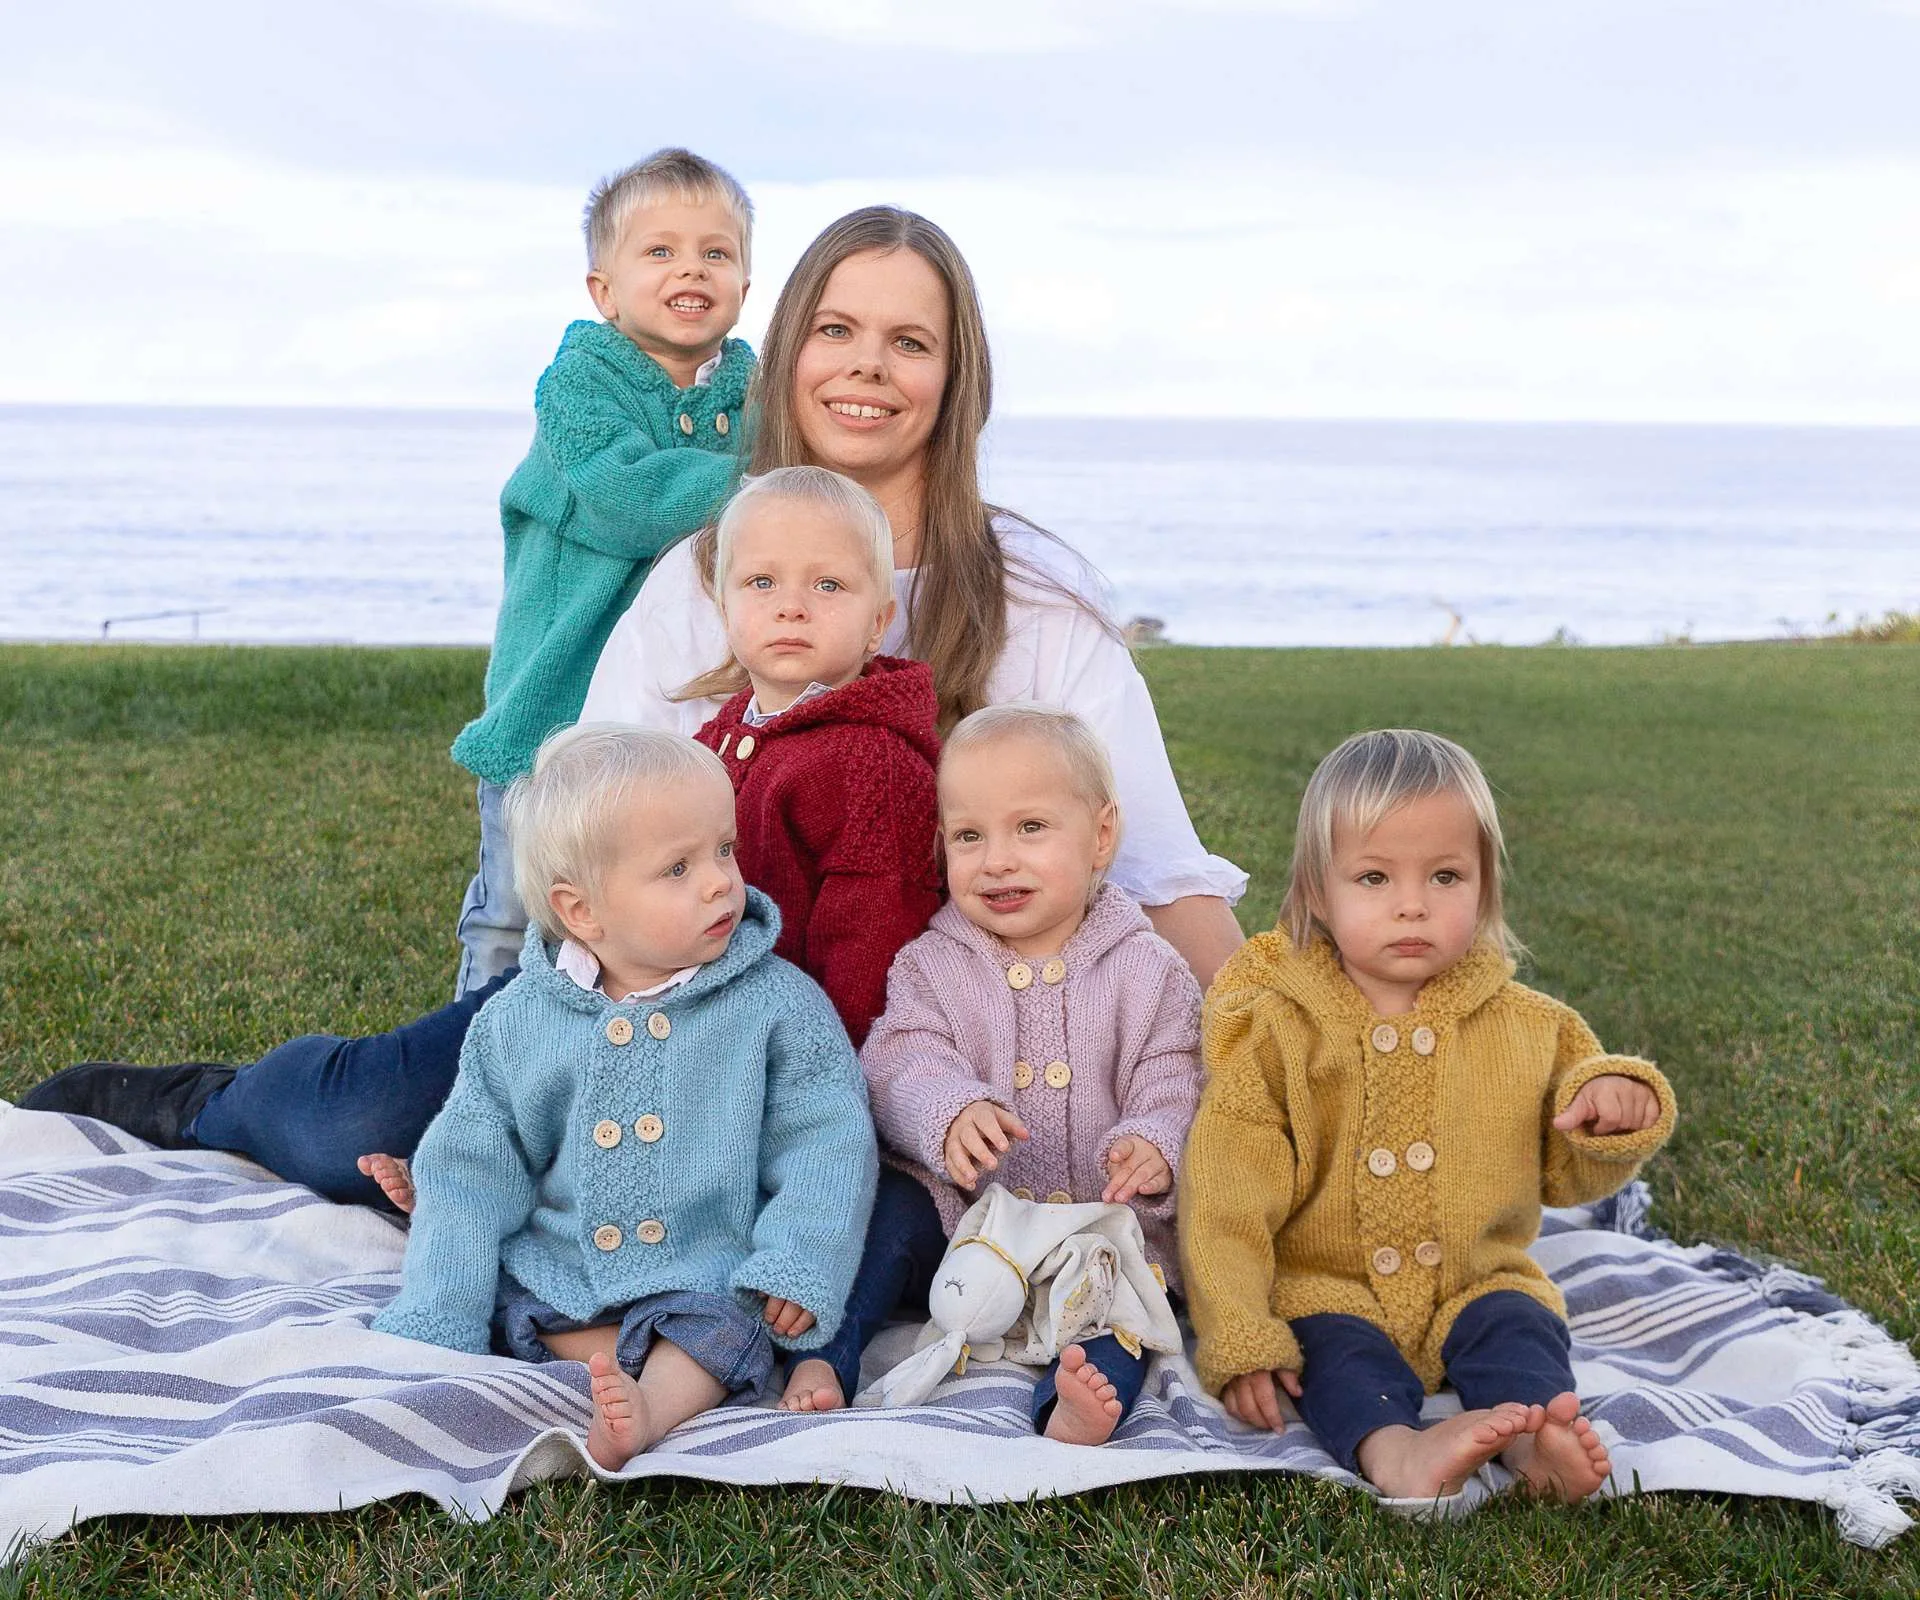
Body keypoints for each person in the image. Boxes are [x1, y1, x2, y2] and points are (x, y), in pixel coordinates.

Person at [20, 205, 1242, 1209]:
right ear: (790, 354)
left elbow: (1160, 877)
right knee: (364, 1124)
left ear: (955, 377)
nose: (867, 366)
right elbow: (584, 839)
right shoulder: (699, 581)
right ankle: (209, 1101)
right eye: (835, 329)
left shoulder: (1038, 601)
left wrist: (1272, 1064)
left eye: (909, 342)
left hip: (931, 1048)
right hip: (651, 1002)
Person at [359, 464, 940, 1214]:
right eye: (762, 583)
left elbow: (869, 956)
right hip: (669, 996)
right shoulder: (726, 731)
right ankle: (470, 1174)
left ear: (877, 616)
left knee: (637, 1135)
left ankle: (498, 1205)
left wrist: (815, 1104)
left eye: (828, 586)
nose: (792, 606)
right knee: (535, 1051)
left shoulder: (871, 762)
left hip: (761, 1053)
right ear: (727, 607)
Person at [1179, 729, 1677, 1502]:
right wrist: (1241, 1331)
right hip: (1328, 1286)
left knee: (1523, 1329)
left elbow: (1567, 1173)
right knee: (1335, 1365)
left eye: (1445, 876)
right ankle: (1395, 1451)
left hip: (1475, 1280)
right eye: (1374, 877)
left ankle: (1533, 1440)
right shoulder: (1283, 1033)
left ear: (1484, 887)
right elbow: (1225, 1197)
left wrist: (1611, 1117)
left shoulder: (1531, 1026)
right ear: (1317, 891)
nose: (1412, 904)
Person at [371, 723, 876, 1470]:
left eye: (724, 850)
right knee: (507, 1289)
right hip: (564, 1264)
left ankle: (650, 1409)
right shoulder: (518, 1021)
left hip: (702, 1268)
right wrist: (438, 1310)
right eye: (677, 868)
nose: (719, 882)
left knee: (725, 1329)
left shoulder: (776, 1006)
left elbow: (829, 1141)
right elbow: (472, 1168)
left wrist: (798, 1261)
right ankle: (607, 1357)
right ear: (582, 912)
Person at [785, 706, 1202, 1443]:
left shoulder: (1148, 969)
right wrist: (947, 1112)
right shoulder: (934, 962)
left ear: (1101, 836)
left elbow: (1175, 1073)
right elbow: (897, 1058)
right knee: (882, 1218)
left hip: (1091, 1228)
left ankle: (1079, 1397)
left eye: (1030, 829)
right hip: (967, 1224)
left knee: (1129, 1296)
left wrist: (1154, 1143)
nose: (996, 860)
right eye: (969, 837)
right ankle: (828, 1355)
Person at [449, 147, 755, 996]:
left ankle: (615, 1065)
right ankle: (471, 1066)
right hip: (551, 718)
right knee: (519, 912)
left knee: (652, 911)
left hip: (668, 720)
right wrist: (762, 483)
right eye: (659, 251)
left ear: (745, 286)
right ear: (604, 290)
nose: (691, 267)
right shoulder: (577, 387)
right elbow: (629, 499)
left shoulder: (748, 394)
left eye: (716, 253)